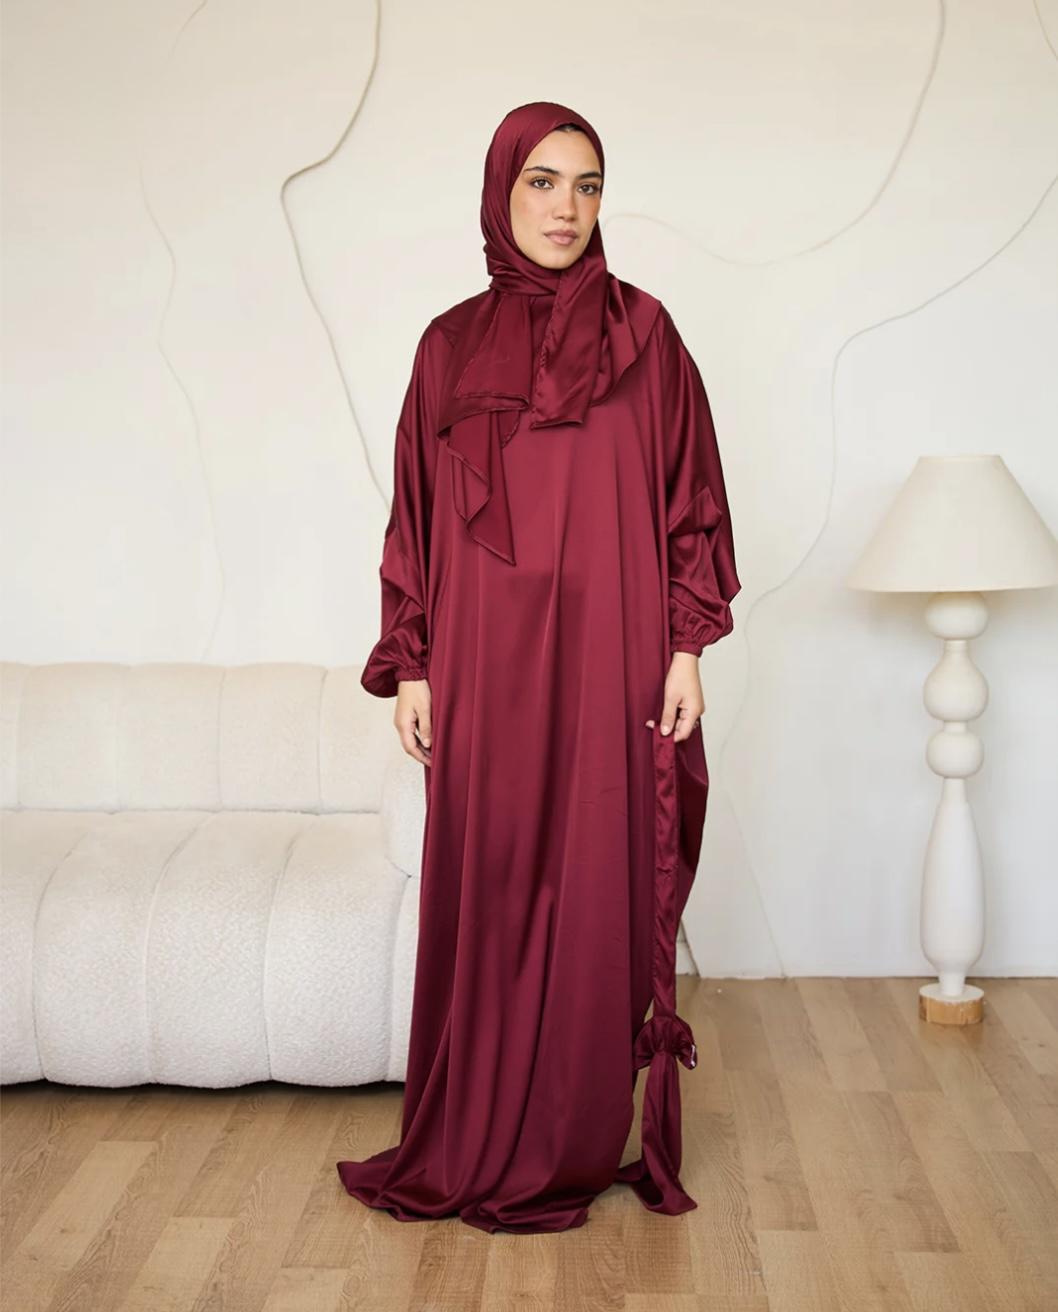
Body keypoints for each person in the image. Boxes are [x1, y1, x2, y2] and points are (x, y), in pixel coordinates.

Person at [336, 100, 741, 1234]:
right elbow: (415, 517)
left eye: (588, 185)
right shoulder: (447, 345)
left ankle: (566, 1136)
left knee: (599, 880)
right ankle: (473, 1130)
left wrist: (686, 647)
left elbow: (692, 501)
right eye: (543, 182)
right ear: (501, 191)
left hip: (616, 658)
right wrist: (412, 663)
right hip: (483, 666)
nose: (567, 208)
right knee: (494, 876)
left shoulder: (647, 336)